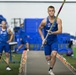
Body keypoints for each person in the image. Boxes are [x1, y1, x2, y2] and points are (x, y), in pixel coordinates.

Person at [38, 6, 62, 75]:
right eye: (50, 11)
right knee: (48, 57)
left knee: (54, 54)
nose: (51, 12)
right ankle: (50, 61)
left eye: (52, 10)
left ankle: (50, 69)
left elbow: (60, 31)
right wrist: (43, 39)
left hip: (54, 40)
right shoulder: (44, 21)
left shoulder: (58, 20)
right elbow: (39, 29)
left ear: (54, 11)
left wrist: (52, 32)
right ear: (48, 12)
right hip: (47, 41)